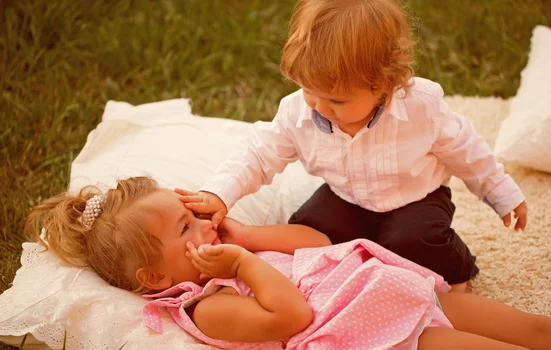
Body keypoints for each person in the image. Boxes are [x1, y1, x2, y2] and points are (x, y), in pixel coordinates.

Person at [26, 177, 551, 350]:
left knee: (547, 332)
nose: (202, 226)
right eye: (184, 230)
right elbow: (291, 316)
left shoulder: (235, 246)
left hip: (396, 292)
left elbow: (315, 239)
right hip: (379, 348)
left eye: (190, 214)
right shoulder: (207, 306)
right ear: (154, 279)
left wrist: (246, 236)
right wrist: (244, 264)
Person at [177, 0, 528, 293]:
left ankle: (459, 267)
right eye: (308, 91)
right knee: (307, 228)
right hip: (346, 196)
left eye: (337, 101)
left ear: (386, 83)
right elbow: (257, 154)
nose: (318, 106)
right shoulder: (299, 112)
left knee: (412, 241)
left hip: (415, 198)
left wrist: (499, 191)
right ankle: (251, 238)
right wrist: (221, 193)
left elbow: (466, 149)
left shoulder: (421, 107)